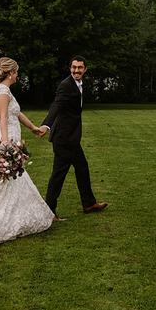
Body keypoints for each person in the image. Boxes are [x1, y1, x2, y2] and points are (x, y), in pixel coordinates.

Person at [0, 57, 56, 244]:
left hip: (9, 139)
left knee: (14, 181)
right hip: (4, 140)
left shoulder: (5, 91)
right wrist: (7, 145)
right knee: (2, 181)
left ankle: (19, 220)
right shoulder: (2, 92)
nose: (18, 75)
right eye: (17, 72)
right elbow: (2, 120)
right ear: (10, 73)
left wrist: (33, 128)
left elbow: (16, 113)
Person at [39, 56, 108, 216]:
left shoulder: (79, 84)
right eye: (74, 67)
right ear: (70, 68)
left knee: (82, 168)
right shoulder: (66, 85)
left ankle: (89, 204)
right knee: (59, 174)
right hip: (63, 139)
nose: (76, 70)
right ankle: (49, 210)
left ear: (85, 69)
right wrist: (46, 124)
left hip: (72, 138)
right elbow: (56, 105)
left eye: (80, 68)